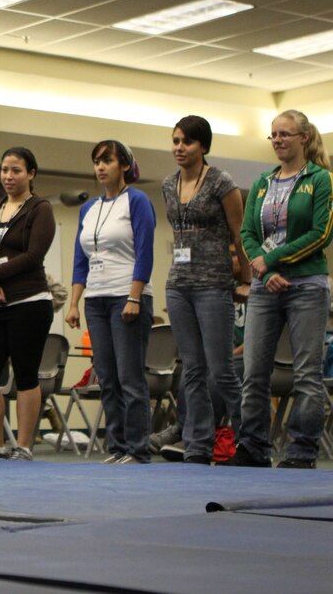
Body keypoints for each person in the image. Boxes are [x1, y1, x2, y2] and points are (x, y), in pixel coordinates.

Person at [226, 110, 332, 469]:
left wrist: (270, 262)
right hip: (264, 287)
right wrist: (259, 264)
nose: (278, 141)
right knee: (254, 370)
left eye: (285, 134)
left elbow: (320, 233)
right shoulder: (261, 183)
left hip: (307, 286)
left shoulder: (321, 180)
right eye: (273, 135)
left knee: (306, 373)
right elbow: (247, 235)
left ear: (304, 138)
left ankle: (302, 451)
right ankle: (254, 447)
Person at [161, 116, 249, 465]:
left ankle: (250, 440)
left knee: (221, 369)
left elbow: (239, 233)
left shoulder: (220, 182)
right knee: (192, 370)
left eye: (187, 142)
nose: (179, 148)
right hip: (178, 285)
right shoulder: (168, 184)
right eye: (176, 141)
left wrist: (245, 279)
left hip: (214, 283)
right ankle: (197, 445)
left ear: (203, 147)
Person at [65, 141, 155, 464]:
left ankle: (138, 448)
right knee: (107, 376)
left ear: (125, 165)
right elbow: (80, 259)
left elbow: (145, 252)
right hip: (96, 301)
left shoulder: (138, 201)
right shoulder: (88, 209)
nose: (101, 167)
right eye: (96, 162)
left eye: (108, 160)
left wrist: (134, 296)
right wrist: (75, 303)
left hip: (126, 298)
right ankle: (117, 447)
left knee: (130, 376)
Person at [0, 148, 56, 462]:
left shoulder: (40, 208)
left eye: (16, 170)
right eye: (5, 170)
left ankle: (23, 446)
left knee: (25, 373)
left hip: (30, 301)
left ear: (31, 173)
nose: (9, 176)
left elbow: (33, 256)